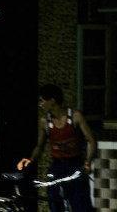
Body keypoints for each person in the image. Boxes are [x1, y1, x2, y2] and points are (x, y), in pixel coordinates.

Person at [17, 84, 96, 212]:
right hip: (57, 165)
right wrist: (31, 160)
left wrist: (88, 162)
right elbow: (40, 146)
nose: (40, 104)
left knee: (80, 203)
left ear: (52, 100)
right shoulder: (45, 121)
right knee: (54, 199)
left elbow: (91, 140)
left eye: (42, 100)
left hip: (75, 164)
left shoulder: (74, 116)